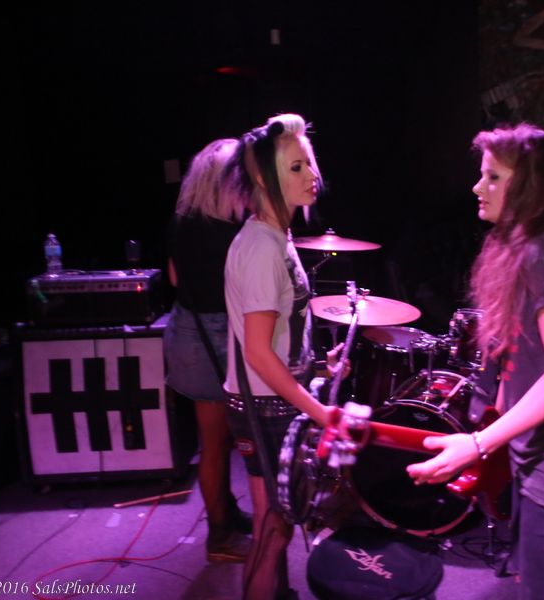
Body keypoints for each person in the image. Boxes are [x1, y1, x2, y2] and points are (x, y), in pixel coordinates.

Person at [407, 124, 544, 599]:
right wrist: (492, 436)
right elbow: (525, 358)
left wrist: (479, 445)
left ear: (527, 186)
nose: (477, 187)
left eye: (493, 177)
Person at [223, 113, 339, 600]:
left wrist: (319, 364)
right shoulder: (261, 248)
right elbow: (256, 351)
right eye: (296, 167)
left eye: (309, 163)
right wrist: (320, 412)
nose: (311, 175)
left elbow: (275, 339)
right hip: (265, 407)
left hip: (271, 399)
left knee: (273, 527)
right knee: (273, 531)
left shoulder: (276, 236)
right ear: (261, 178)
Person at [163, 138, 251, 563]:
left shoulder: (182, 220)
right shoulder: (238, 229)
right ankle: (219, 538)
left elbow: (174, 279)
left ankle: (226, 515)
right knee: (224, 443)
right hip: (221, 335)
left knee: (213, 441)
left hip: (186, 329)